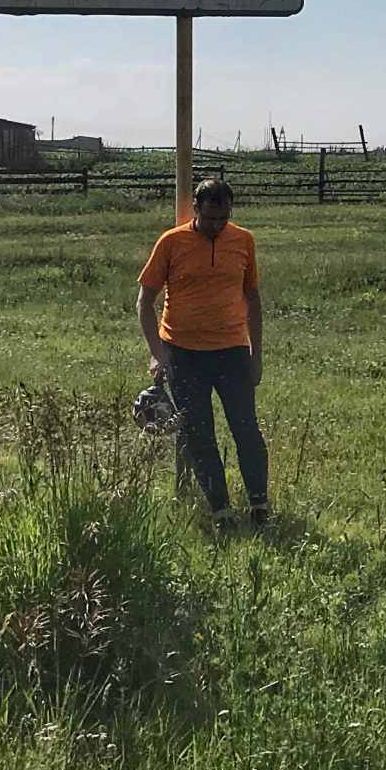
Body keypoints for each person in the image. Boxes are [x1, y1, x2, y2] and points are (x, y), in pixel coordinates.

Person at [135, 177, 267, 524]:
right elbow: (145, 301)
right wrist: (158, 352)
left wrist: (256, 356)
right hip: (183, 354)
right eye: (209, 218)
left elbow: (252, 298)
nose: (216, 225)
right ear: (195, 208)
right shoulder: (171, 242)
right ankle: (220, 510)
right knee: (198, 433)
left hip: (232, 350)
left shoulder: (244, 241)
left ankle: (259, 505)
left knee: (246, 428)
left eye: (223, 218)